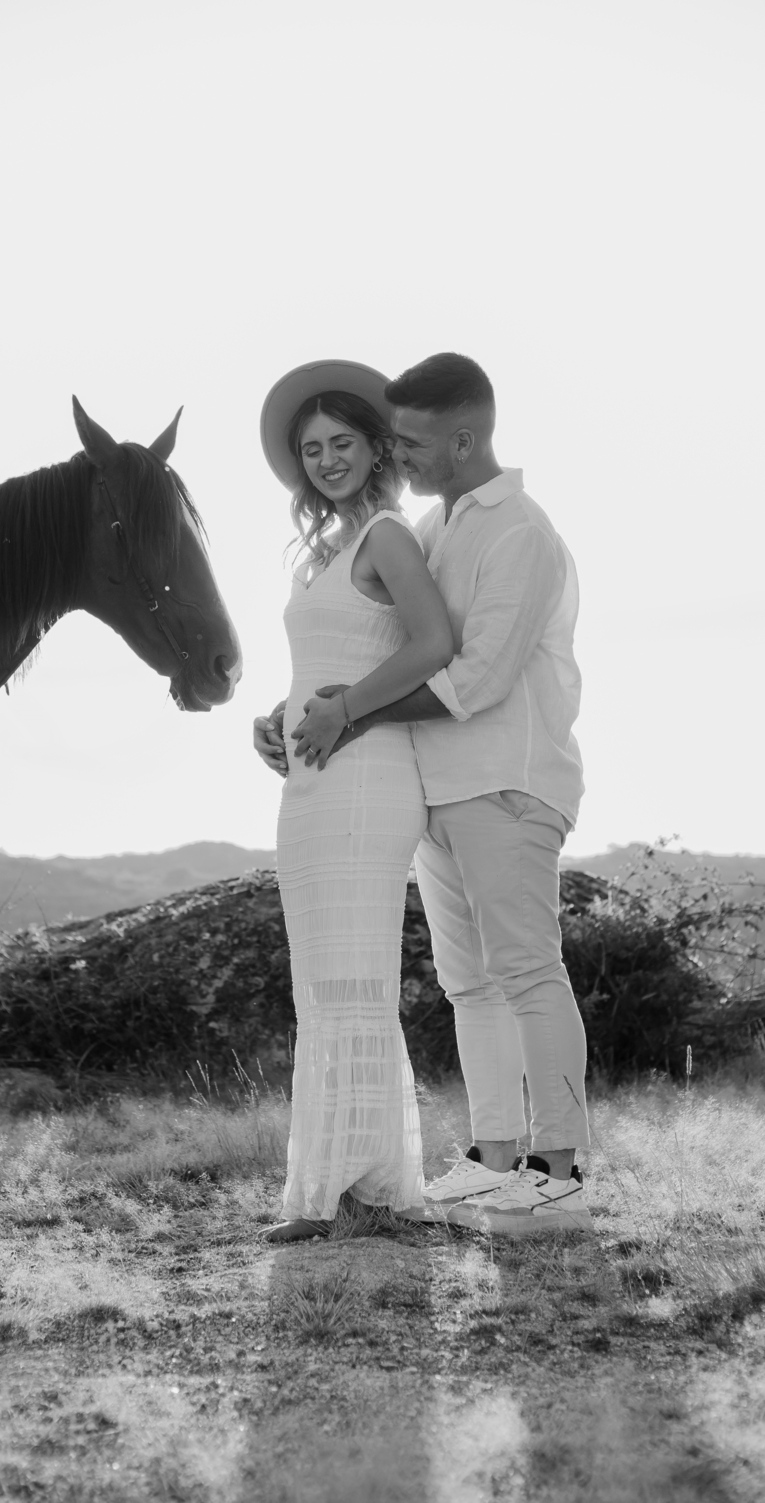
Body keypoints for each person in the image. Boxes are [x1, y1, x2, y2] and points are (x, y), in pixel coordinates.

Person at [298, 351, 592, 1235]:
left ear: (464, 438)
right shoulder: (434, 528)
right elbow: (378, 644)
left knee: (530, 971)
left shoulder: (521, 534)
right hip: (437, 787)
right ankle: (497, 1156)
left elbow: (481, 678)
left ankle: (562, 1171)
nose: (400, 455)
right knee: (470, 986)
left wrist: (350, 717)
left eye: (414, 442)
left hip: (508, 779)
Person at [253, 360, 455, 1243]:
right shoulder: (322, 553)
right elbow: (328, 659)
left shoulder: (386, 535)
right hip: (312, 782)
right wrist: (279, 716)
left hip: (371, 780)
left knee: (354, 982)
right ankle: (354, 1181)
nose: (327, 459)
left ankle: (344, 1189)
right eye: (312, 449)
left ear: (377, 447)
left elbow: (436, 642)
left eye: (342, 443)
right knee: (323, 984)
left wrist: (343, 710)